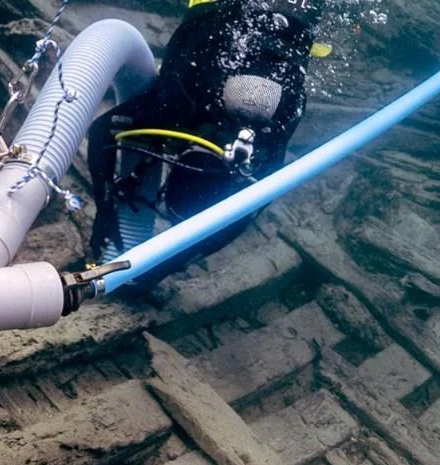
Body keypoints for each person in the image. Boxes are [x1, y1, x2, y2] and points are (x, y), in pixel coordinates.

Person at [87, 0, 324, 288]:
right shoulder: (177, 105)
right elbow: (101, 131)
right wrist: (106, 215)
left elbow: (231, 224)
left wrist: (165, 264)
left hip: (288, 26)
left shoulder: (263, 156)